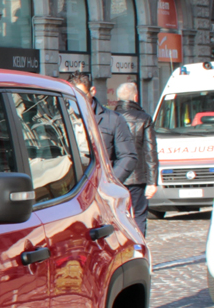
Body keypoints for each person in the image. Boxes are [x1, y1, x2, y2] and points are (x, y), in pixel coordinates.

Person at [67, 72, 138, 218]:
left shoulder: (113, 119)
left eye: (82, 94)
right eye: (73, 95)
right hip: (70, 192)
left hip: (102, 190)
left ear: (92, 91)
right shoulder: (61, 119)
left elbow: (128, 156)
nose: (77, 100)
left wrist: (109, 184)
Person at [114, 82, 159, 235]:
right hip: (137, 179)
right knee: (139, 215)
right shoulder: (143, 118)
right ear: (135, 97)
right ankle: (139, 250)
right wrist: (152, 182)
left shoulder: (109, 117)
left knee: (117, 216)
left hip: (116, 175)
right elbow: (150, 151)